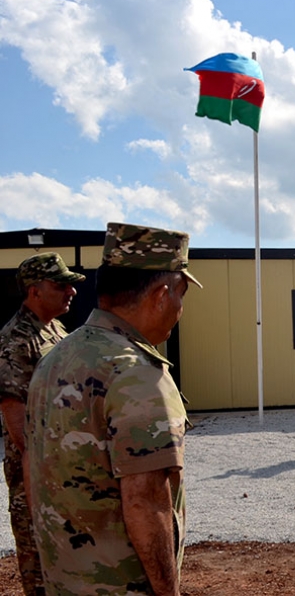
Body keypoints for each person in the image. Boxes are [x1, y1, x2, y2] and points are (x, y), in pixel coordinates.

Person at [26, 222, 200, 596]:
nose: (180, 309)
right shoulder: (137, 374)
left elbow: (31, 467)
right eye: (181, 295)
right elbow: (145, 503)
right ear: (161, 295)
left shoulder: (53, 359)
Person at [0, 253, 85, 595]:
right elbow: (15, 417)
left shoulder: (54, 330)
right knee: (41, 571)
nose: (71, 292)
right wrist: (49, 472)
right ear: (34, 291)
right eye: (60, 285)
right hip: (37, 481)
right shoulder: (17, 340)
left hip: (64, 474)